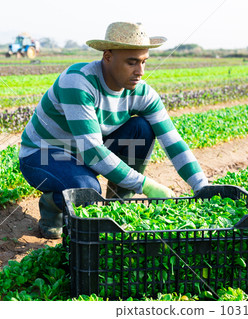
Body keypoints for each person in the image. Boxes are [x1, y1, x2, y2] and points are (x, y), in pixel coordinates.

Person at [19, 22, 208, 239]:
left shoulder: (142, 93)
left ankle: (119, 207)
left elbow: (173, 142)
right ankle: (52, 204)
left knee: (141, 129)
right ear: (107, 56)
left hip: (87, 152)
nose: (140, 72)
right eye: (132, 62)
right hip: (44, 154)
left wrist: (201, 186)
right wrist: (145, 185)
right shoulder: (78, 81)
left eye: (144, 62)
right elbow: (92, 151)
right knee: (86, 191)